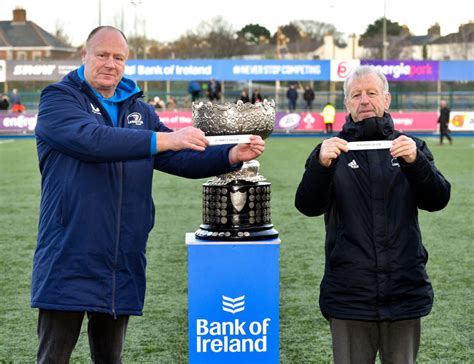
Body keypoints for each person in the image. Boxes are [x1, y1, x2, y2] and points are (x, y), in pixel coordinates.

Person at [31, 26, 265, 363]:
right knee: (53, 358)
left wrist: (230, 155)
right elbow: (91, 139)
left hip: (121, 256)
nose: (110, 63)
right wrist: (164, 139)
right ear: (84, 56)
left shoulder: (138, 109)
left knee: (110, 359)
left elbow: (176, 155)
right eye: (102, 55)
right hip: (70, 253)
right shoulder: (58, 98)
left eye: (119, 57)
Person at [295, 65, 450, 364]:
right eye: (356, 94)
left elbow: (438, 199)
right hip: (350, 295)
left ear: (387, 99)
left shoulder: (411, 147)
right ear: (347, 103)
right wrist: (319, 166)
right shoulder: (330, 152)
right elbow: (307, 206)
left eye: (371, 93)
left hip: (404, 290)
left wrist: (417, 163)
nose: (364, 100)